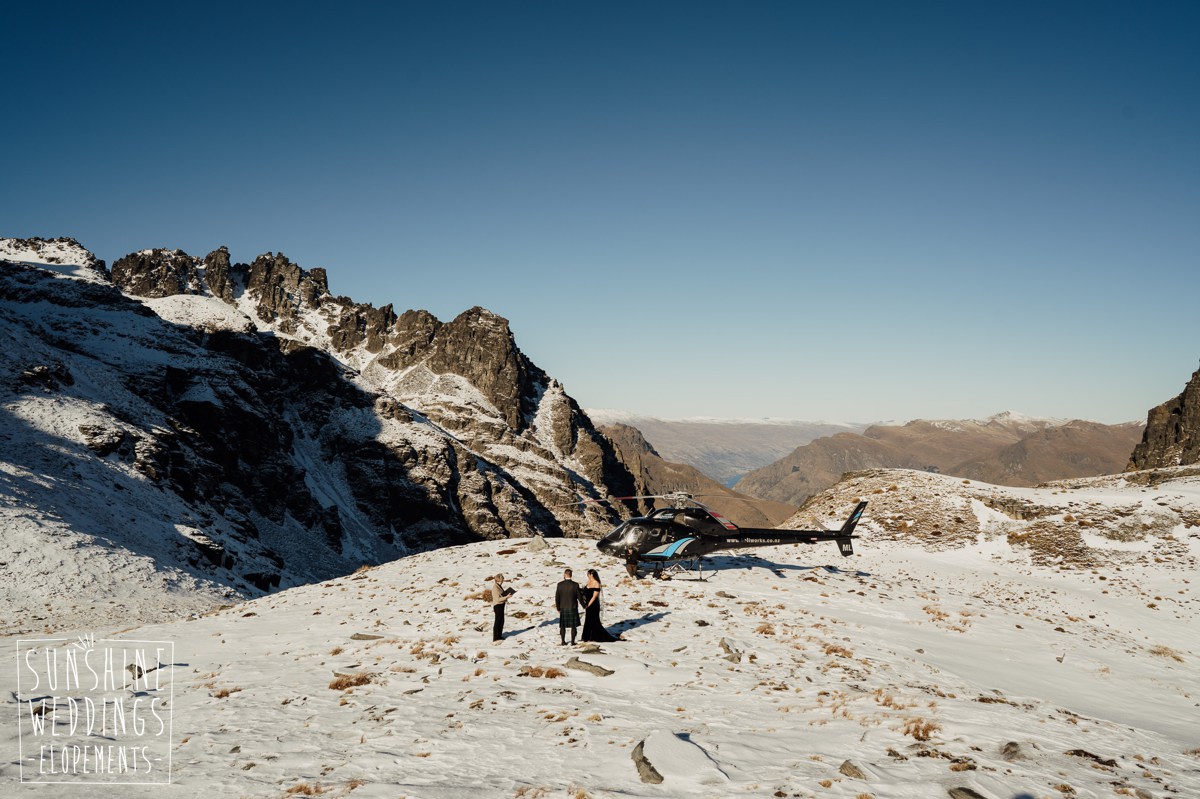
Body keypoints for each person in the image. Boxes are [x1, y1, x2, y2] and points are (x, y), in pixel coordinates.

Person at [580, 569, 621, 642]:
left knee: (595, 621)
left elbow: (594, 596)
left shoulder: (597, 583)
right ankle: (587, 636)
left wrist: (588, 604)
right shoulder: (588, 582)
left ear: (592, 574)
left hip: (594, 604)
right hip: (588, 604)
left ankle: (597, 636)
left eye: (588, 574)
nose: (588, 575)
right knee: (588, 620)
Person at [554, 568, 584, 645]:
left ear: (564, 574)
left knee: (562, 626)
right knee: (573, 626)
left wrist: (558, 607)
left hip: (563, 607)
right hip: (572, 607)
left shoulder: (559, 584)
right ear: (571, 575)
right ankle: (573, 642)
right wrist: (584, 605)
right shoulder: (575, 585)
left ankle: (563, 641)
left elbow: (557, 597)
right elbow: (579, 597)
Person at [490, 573, 514, 642]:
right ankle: (496, 638)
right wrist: (506, 597)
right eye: (501, 580)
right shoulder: (495, 588)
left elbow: (501, 596)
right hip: (498, 606)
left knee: (501, 621)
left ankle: (499, 636)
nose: (502, 582)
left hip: (501, 605)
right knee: (498, 621)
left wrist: (506, 595)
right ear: (497, 580)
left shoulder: (499, 586)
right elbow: (498, 599)